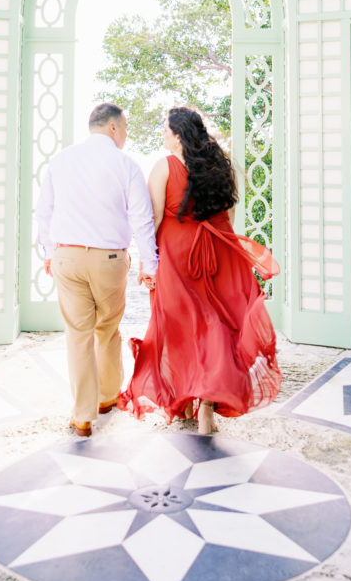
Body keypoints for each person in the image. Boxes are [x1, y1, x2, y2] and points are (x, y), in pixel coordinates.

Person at [119, 106, 282, 435]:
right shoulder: (221, 167)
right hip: (219, 253)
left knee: (181, 326)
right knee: (216, 327)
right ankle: (206, 404)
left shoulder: (164, 167)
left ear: (178, 137)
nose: (163, 135)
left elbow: (153, 220)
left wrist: (146, 261)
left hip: (178, 258)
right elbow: (229, 218)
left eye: (166, 130)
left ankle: (188, 399)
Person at [36, 103, 158, 438]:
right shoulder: (126, 165)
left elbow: (44, 212)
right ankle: (107, 399)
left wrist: (49, 251)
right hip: (109, 261)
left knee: (78, 335)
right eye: (126, 128)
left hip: (67, 257)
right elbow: (141, 219)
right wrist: (151, 264)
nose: (126, 135)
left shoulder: (61, 161)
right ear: (114, 128)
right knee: (107, 328)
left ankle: (82, 417)